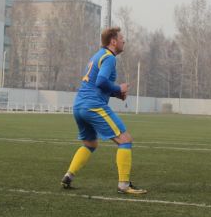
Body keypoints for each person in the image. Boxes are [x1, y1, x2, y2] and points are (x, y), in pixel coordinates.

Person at [60, 26, 146, 195]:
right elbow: (100, 82)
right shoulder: (109, 57)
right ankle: (123, 185)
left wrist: (116, 93)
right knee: (125, 139)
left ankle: (68, 176)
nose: (124, 41)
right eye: (122, 39)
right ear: (113, 41)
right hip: (93, 105)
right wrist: (118, 87)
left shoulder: (97, 56)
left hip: (79, 106)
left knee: (90, 143)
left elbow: (94, 84)